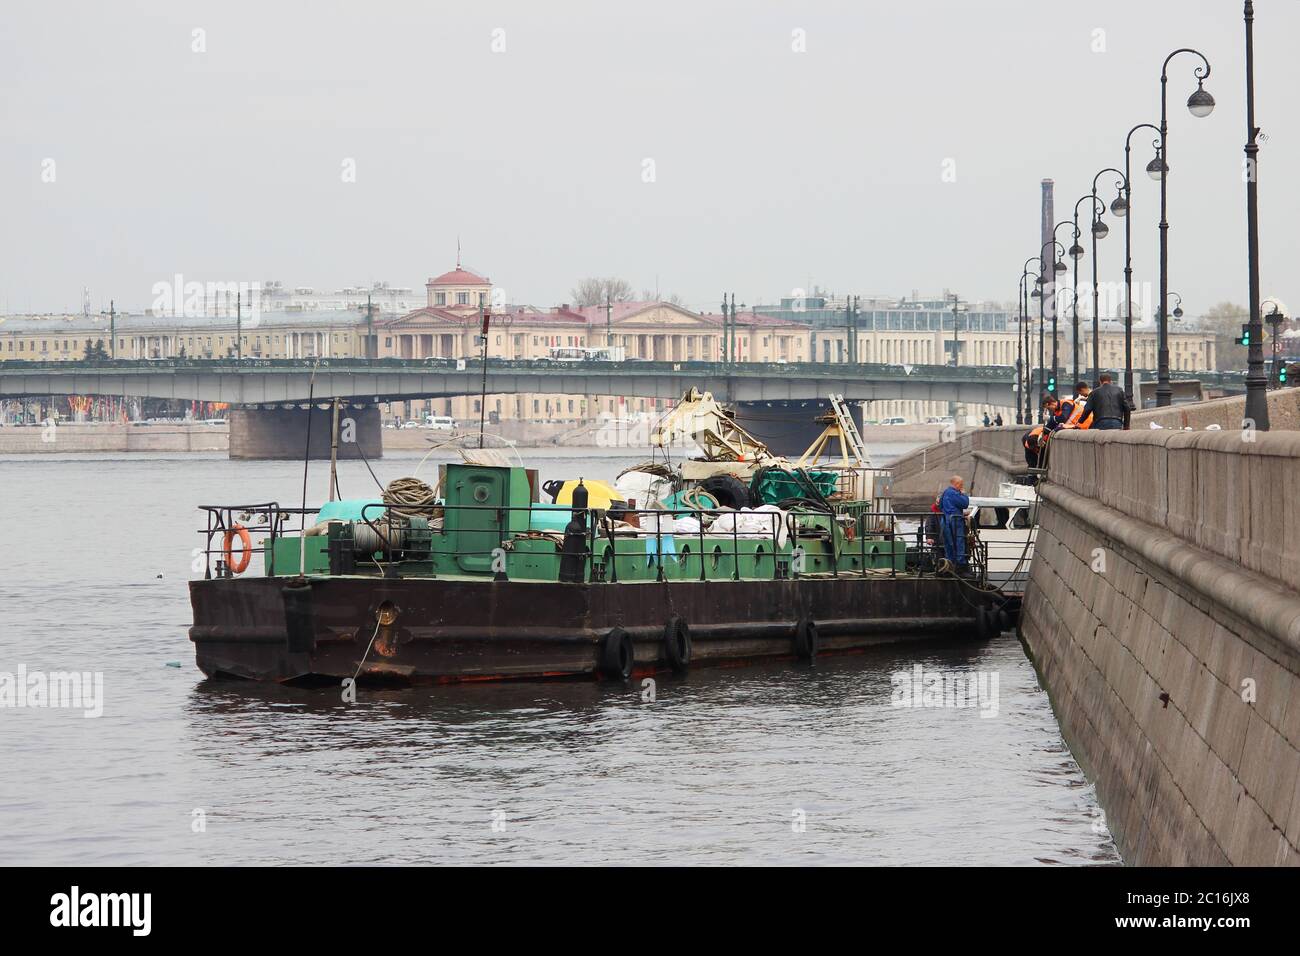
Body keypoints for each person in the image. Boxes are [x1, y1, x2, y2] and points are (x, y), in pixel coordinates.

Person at [938, 475, 970, 572]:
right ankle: (960, 564)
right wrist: (963, 494)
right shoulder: (954, 493)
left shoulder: (945, 493)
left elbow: (940, 506)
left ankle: (950, 563)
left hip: (945, 520)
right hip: (955, 521)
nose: (962, 486)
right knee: (959, 541)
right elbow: (965, 503)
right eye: (961, 484)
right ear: (956, 484)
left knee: (949, 543)